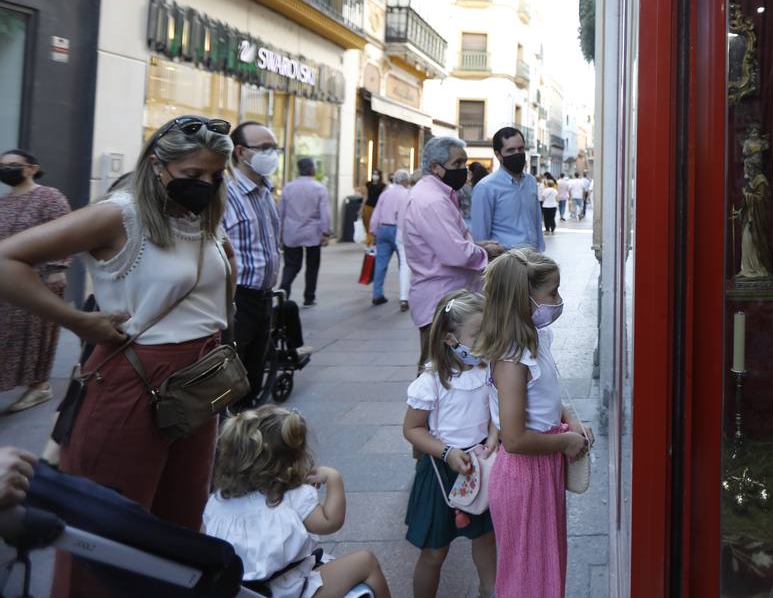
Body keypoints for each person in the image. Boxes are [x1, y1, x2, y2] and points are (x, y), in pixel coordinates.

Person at [0, 115, 234, 597]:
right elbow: (7, 259)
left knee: (178, 528)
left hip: (196, 386)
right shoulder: (120, 213)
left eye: (215, 176)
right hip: (133, 381)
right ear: (157, 165)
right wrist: (76, 321)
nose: (206, 185)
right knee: (106, 538)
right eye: (193, 175)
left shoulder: (198, 216)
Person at [477, 248, 592, 598]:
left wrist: (569, 420)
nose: (558, 300)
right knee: (528, 578)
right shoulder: (512, 359)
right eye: (552, 293)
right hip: (525, 476)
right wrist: (565, 442)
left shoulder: (533, 342)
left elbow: (548, 400)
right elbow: (514, 439)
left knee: (543, 568)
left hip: (540, 471)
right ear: (526, 301)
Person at [204, 406, 391, 598]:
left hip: (243, 592)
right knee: (366, 561)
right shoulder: (291, 496)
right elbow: (330, 522)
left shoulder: (216, 502)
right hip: (289, 590)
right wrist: (334, 479)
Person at [402, 290, 498, 598]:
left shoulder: (489, 370)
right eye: (476, 335)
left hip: (478, 468)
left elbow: (496, 412)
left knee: (486, 538)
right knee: (434, 552)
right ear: (449, 339)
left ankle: (490, 589)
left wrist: (494, 435)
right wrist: (446, 452)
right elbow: (413, 428)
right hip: (440, 472)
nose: (484, 342)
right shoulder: (431, 381)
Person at [403, 137, 504, 368]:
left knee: (448, 372)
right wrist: (485, 253)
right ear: (435, 167)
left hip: (448, 297)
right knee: (438, 374)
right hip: (441, 300)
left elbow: (449, 242)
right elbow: (455, 253)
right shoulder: (431, 201)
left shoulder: (437, 195)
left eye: (464, 164)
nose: (463, 171)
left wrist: (478, 247)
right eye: (457, 164)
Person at [0, 149, 72, 413]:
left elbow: (66, 232)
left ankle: (39, 386)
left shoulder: (48, 196)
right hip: (5, 281)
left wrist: (58, 267)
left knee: (35, 334)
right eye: (2, 165)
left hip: (39, 277)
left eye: (13, 165)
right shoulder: (4, 202)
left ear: (31, 168)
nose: (6, 169)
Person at [225, 122, 287, 405]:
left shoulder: (265, 191)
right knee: (231, 380)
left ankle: (246, 440)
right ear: (240, 152)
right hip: (237, 298)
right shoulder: (226, 194)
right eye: (264, 148)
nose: (271, 154)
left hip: (263, 299)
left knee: (253, 378)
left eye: (274, 148)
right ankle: (226, 439)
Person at [470, 127, 544, 252]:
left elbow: (535, 220)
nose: (517, 153)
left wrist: (540, 251)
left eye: (520, 149)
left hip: (533, 258)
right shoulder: (486, 188)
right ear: (498, 155)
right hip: (505, 262)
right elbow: (480, 236)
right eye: (510, 150)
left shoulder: (530, 182)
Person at [279, 157, 332, 308]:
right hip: (312, 233)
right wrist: (326, 232)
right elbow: (325, 213)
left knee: (291, 265)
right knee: (312, 266)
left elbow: (280, 212)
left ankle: (283, 292)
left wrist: (279, 232)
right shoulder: (319, 188)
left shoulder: (288, 187)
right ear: (312, 169)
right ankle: (309, 297)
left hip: (292, 232)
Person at [369, 169, 412, 308]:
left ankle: (377, 294)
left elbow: (376, 213)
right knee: (404, 263)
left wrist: (373, 231)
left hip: (383, 229)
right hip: (398, 230)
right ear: (405, 180)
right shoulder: (407, 193)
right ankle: (404, 295)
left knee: (381, 263)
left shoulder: (385, 193)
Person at [361, 169, 386, 243]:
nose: (374, 176)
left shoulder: (383, 186)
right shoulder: (368, 184)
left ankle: (373, 239)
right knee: (367, 224)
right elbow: (366, 196)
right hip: (368, 206)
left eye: (376, 174)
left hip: (377, 208)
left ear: (379, 176)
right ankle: (369, 240)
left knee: (375, 224)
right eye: (373, 174)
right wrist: (361, 208)